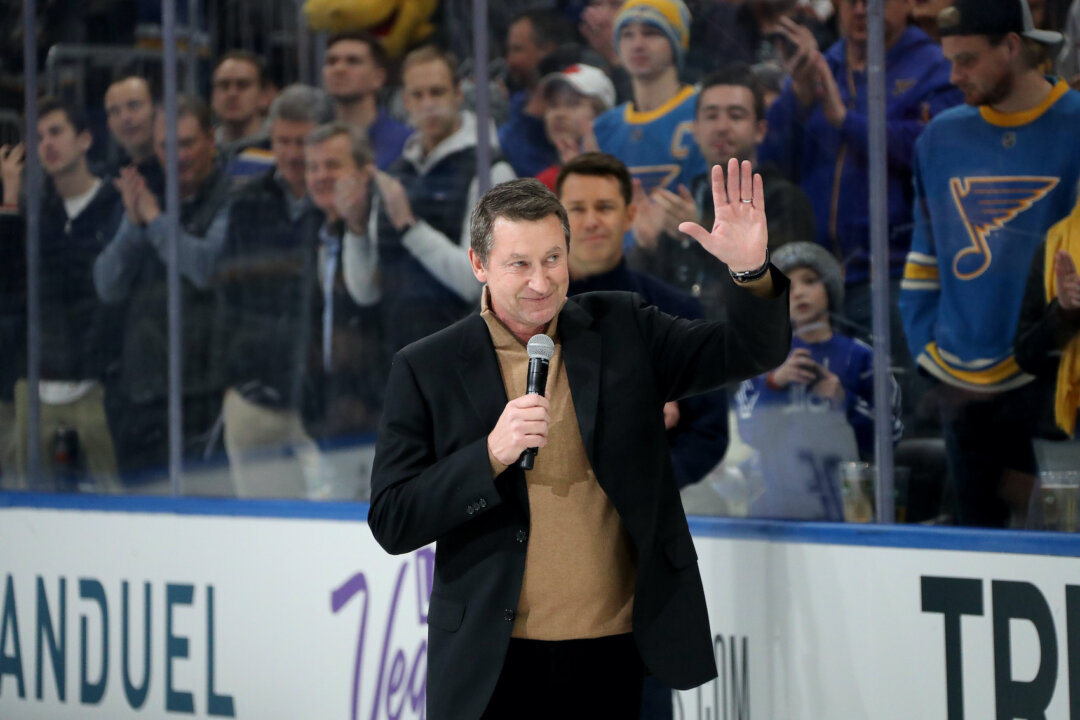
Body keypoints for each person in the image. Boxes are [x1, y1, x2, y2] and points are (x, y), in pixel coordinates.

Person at [367, 159, 791, 718]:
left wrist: (750, 271)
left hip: (616, 657)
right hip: (492, 664)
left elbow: (749, 351)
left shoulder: (625, 328)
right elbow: (393, 520)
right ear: (479, 264)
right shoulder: (427, 367)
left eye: (552, 259)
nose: (541, 282)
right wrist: (489, 456)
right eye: (519, 263)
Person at [558, 152, 730, 720]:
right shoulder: (524, 316)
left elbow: (708, 432)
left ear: (630, 213)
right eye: (577, 208)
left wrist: (641, 488)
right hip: (544, 557)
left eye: (605, 207)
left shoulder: (673, 311)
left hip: (639, 561)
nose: (591, 221)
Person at [898, 0, 1080, 527]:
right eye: (950, 59)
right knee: (974, 541)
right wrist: (929, 351)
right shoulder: (939, 137)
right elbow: (924, 257)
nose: (954, 75)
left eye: (968, 60)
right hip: (961, 379)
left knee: (1060, 541)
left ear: (1012, 46)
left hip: (1056, 371)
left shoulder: (1076, 123)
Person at [761, 0, 961, 327]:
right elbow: (772, 161)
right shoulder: (822, 64)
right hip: (815, 278)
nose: (860, 11)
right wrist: (797, 98)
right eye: (851, 2)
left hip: (898, 274)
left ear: (908, 3)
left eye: (874, 3)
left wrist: (847, 122)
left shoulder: (936, 67)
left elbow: (937, 151)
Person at [93, 94, 231, 480]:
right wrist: (133, 224)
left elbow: (204, 268)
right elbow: (107, 285)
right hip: (142, 388)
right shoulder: (145, 194)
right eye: (166, 147)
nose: (178, 156)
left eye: (187, 144)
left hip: (205, 390)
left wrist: (153, 220)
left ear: (211, 140)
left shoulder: (232, 195)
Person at [214, 85, 336, 498]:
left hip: (330, 400)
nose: (293, 153)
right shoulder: (247, 201)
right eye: (283, 141)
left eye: (303, 141)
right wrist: (236, 374)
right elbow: (228, 294)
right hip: (256, 393)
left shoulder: (344, 203)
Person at [0, 97, 125, 491]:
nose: (47, 144)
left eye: (56, 132)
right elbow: (11, 285)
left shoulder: (116, 204)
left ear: (84, 139)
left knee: (116, 497)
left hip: (96, 384)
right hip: (36, 384)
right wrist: (10, 199)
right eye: (38, 138)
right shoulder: (36, 213)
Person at [357, 45, 514, 358]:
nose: (428, 105)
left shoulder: (491, 170)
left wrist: (410, 228)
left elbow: (476, 283)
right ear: (405, 101)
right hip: (395, 353)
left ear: (457, 94)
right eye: (417, 95)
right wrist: (353, 227)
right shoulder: (396, 172)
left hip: (463, 356)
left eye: (437, 92)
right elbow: (365, 290)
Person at [630, 63, 816, 320]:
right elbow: (652, 296)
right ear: (695, 130)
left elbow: (774, 294)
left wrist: (700, 234)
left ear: (760, 130)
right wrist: (647, 248)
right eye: (711, 116)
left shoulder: (783, 201)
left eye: (736, 116)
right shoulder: (683, 200)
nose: (722, 127)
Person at [733, 242, 902, 519]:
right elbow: (749, 433)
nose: (799, 292)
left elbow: (890, 435)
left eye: (810, 281)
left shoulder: (862, 357)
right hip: (776, 511)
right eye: (787, 286)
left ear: (829, 289)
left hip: (846, 511)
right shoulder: (763, 360)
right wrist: (774, 384)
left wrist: (844, 400)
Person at [593, 0, 708, 196]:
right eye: (627, 35)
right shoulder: (602, 128)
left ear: (676, 42)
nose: (637, 45)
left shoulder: (706, 111)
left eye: (651, 33)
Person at [498, 9, 574, 178]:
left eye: (517, 50)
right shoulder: (515, 104)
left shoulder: (573, 108)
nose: (510, 60)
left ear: (546, 49)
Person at [322, 30, 412, 170]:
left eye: (353, 61)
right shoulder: (312, 141)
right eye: (331, 61)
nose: (339, 69)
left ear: (379, 77)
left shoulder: (408, 144)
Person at [534, 63, 616, 190]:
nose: (559, 114)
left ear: (601, 114)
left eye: (573, 104)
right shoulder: (543, 184)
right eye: (553, 105)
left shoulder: (625, 171)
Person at [211, 50, 275, 183]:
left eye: (243, 85)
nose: (232, 93)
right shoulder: (202, 149)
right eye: (224, 85)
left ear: (263, 96)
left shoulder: (280, 149)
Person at [103, 75, 162, 191]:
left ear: (156, 109)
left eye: (134, 105)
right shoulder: (110, 181)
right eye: (115, 111)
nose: (125, 117)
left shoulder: (180, 171)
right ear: (108, 124)